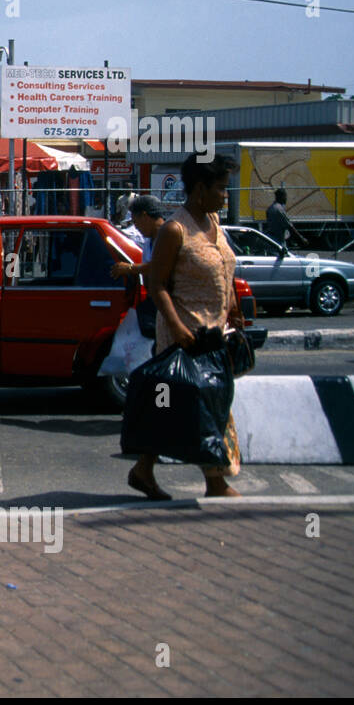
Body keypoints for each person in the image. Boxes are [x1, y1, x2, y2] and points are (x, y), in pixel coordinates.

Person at [127, 152, 243, 501]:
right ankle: (216, 482)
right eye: (221, 188)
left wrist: (233, 306)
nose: (225, 194)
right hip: (185, 336)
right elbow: (157, 285)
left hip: (214, 333)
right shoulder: (175, 230)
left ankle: (143, 469)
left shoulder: (214, 222)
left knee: (182, 407)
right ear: (199, 189)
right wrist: (176, 327)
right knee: (206, 404)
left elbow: (224, 267)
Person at [110, 195, 168, 280]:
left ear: (144, 216)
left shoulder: (169, 236)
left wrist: (130, 268)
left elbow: (161, 266)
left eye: (135, 222)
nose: (135, 227)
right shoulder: (148, 241)